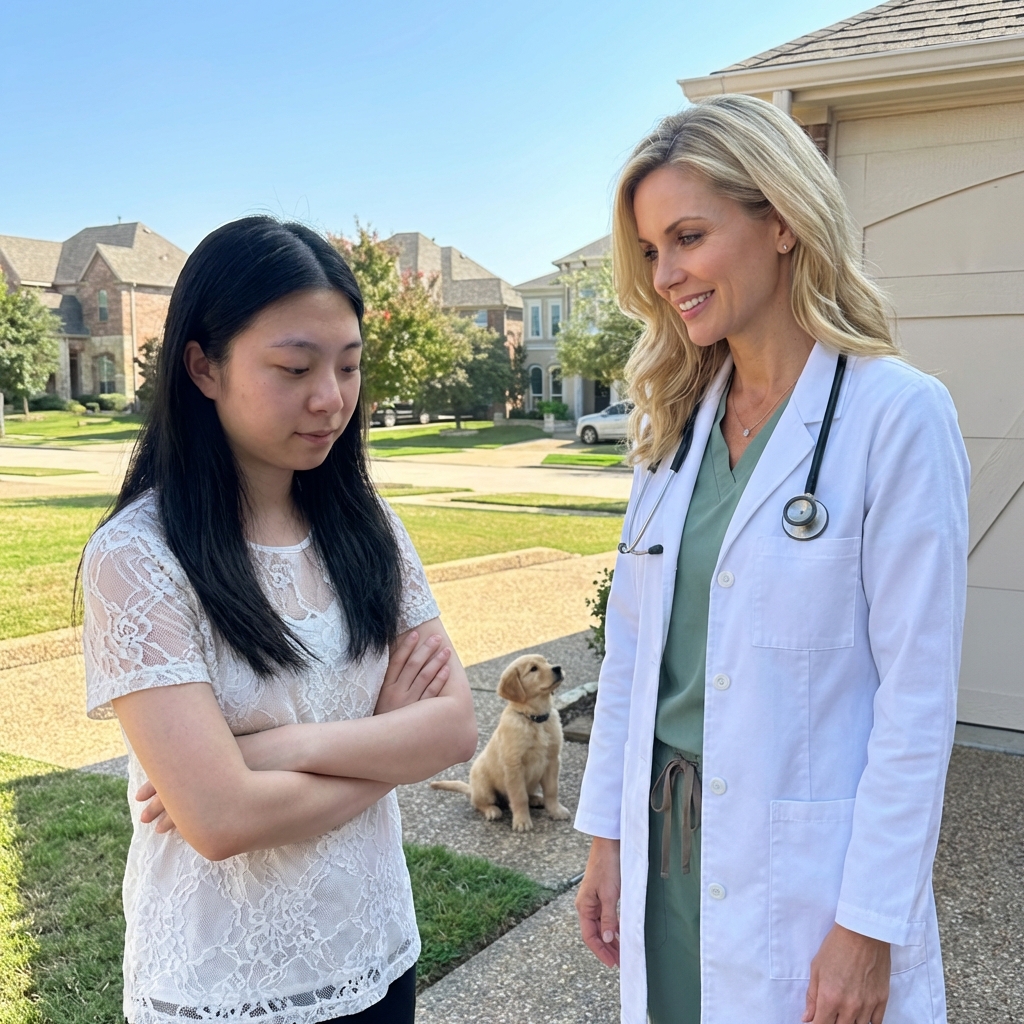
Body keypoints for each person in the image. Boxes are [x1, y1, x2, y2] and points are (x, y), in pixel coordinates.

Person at [573, 95, 969, 1024]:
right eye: (650, 252)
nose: (666, 274)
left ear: (781, 221)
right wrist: (605, 837)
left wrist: (871, 926)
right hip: (666, 853)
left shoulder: (896, 416)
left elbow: (918, 701)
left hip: (808, 880)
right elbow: (633, 658)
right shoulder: (670, 427)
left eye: (689, 236)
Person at [80, 217, 477, 1024]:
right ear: (203, 366)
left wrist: (274, 750)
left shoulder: (368, 526)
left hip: (375, 954)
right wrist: (386, 742)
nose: (330, 398)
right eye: (294, 367)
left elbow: (454, 730)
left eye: (349, 366)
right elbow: (221, 821)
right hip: (227, 988)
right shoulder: (139, 559)